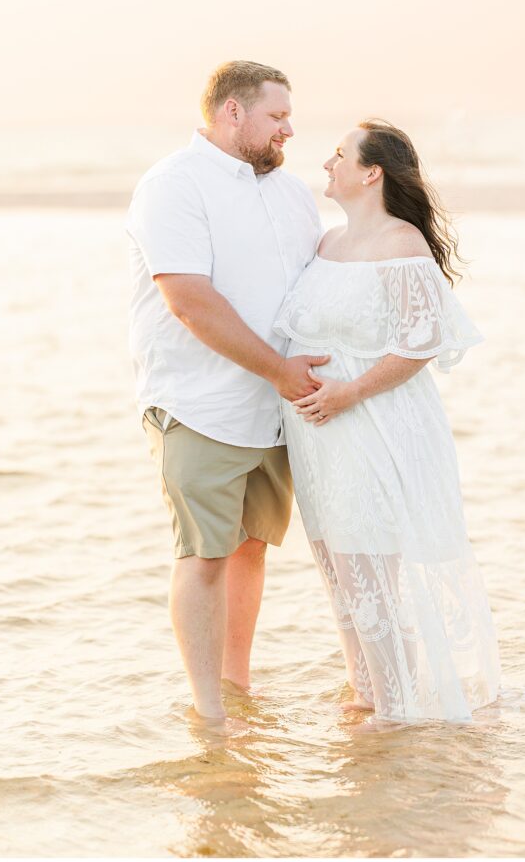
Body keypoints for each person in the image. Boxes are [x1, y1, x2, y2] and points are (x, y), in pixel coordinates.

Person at [274, 119, 501, 722]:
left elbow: (421, 344)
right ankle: (367, 696)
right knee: (340, 577)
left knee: (368, 571)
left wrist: (349, 392)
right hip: (320, 442)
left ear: (371, 172)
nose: (327, 164)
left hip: (373, 427)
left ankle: (396, 721)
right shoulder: (326, 244)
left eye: (340, 155)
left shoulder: (402, 245)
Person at [126, 61, 326, 725]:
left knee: (249, 550)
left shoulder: (292, 194)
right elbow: (189, 301)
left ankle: (237, 690)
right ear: (231, 114)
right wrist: (278, 369)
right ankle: (208, 713)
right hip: (199, 402)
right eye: (276, 117)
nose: (288, 130)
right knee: (205, 554)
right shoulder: (172, 186)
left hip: (275, 412)